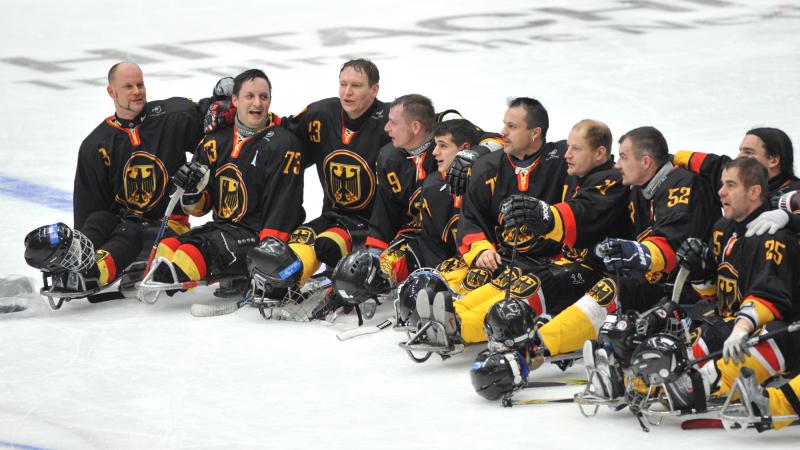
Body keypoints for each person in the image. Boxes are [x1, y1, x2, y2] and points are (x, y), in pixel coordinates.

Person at [534, 126, 719, 384]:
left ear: (646, 162)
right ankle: (543, 342)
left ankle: (540, 346)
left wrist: (636, 253)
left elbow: (672, 244)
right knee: (614, 287)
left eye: (623, 157)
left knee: (616, 291)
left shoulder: (684, 185)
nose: (617, 164)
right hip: (660, 286)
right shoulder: (639, 188)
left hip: (696, 295)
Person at [24, 61, 206, 295]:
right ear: (112, 92)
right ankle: (78, 260)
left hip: (167, 226)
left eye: (140, 84)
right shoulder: (96, 145)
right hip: (123, 228)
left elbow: (214, 122)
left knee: (129, 234)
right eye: (128, 86)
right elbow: (89, 210)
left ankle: (89, 273)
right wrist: (90, 238)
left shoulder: (172, 118)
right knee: (101, 220)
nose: (137, 91)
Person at [406, 97, 570, 351]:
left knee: (506, 300)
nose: (504, 131)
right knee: (483, 286)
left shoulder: (562, 161)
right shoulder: (488, 167)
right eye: (504, 124)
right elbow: (470, 218)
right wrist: (480, 248)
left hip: (554, 263)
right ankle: (445, 314)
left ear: (535, 132)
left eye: (512, 126)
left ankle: (456, 325)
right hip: (507, 260)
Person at [666, 157, 800, 414]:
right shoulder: (723, 229)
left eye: (730, 185)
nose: (720, 192)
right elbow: (716, 296)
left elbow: (768, 296)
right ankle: (646, 376)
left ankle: (703, 386)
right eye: (722, 184)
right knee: (681, 320)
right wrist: (700, 272)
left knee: (772, 334)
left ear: (754, 192)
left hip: (765, 328)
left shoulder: (775, 239)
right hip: (731, 321)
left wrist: (740, 328)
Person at [148, 69, 304, 287]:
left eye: (263, 96)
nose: (257, 103)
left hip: (256, 236)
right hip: (221, 229)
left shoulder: (284, 144)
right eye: (249, 96)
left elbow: (284, 206)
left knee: (189, 255)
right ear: (235, 100)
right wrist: (192, 191)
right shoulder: (214, 141)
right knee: (168, 246)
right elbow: (200, 208)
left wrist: (268, 257)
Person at [276, 59, 391, 288]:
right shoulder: (321, 113)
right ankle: (284, 281)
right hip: (334, 215)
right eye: (343, 84)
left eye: (356, 86)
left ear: (374, 89)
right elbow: (280, 132)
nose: (347, 92)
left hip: (375, 223)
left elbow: (434, 127)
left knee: (328, 244)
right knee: (301, 237)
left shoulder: (392, 118)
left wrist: (482, 144)